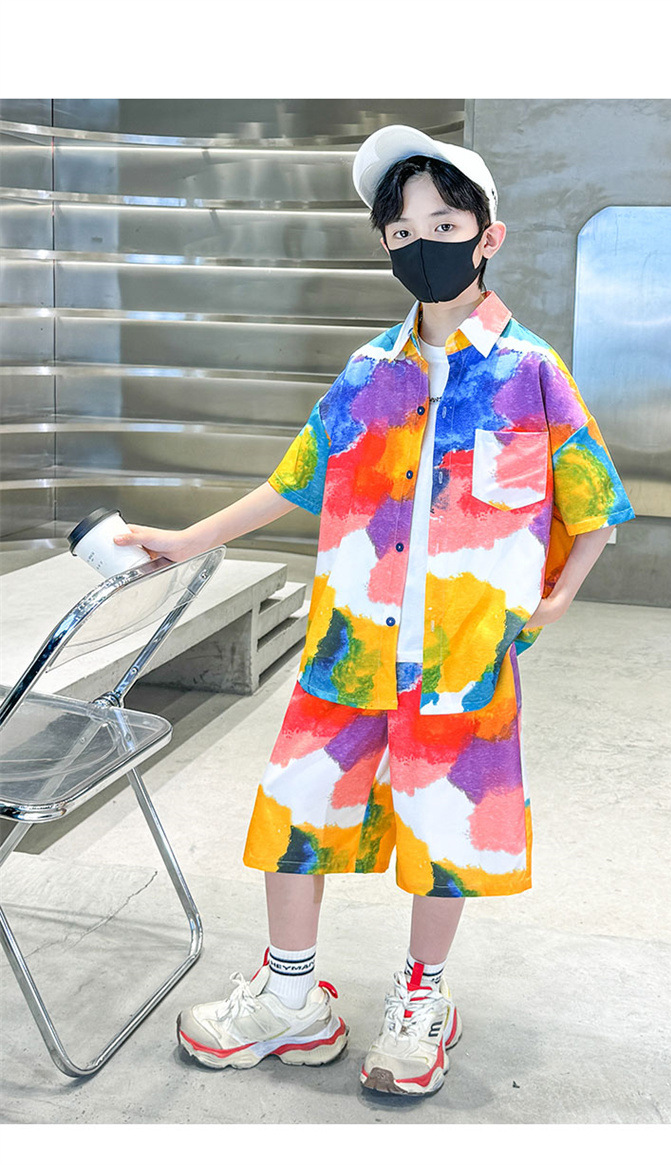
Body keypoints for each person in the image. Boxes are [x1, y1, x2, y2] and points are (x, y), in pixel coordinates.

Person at [114, 124, 636, 1096]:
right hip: (349, 645)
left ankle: (423, 996)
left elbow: (594, 497)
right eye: (401, 232)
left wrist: (561, 594)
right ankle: (292, 998)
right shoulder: (368, 372)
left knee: (446, 831)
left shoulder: (532, 372)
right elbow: (294, 478)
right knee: (295, 808)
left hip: (462, 658)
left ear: (488, 237)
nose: (421, 244)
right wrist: (188, 540)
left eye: (443, 225)